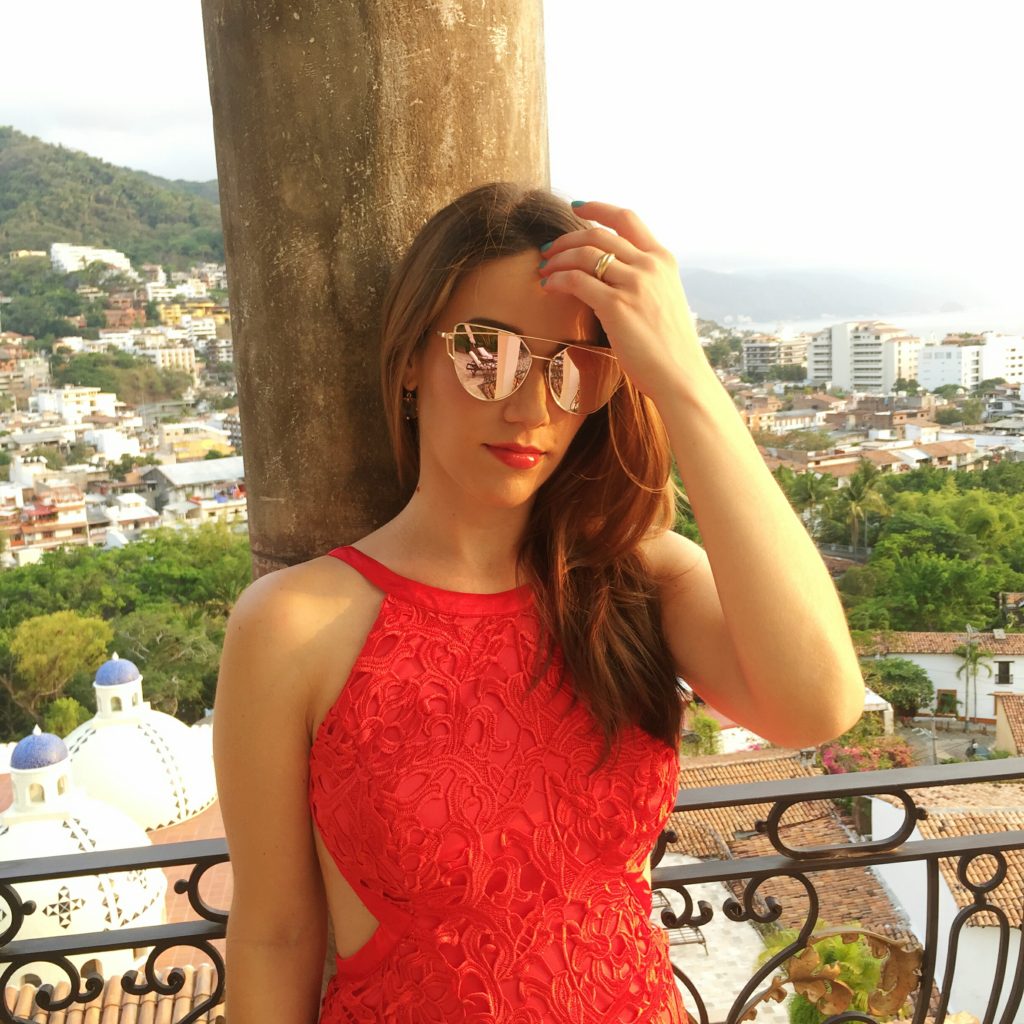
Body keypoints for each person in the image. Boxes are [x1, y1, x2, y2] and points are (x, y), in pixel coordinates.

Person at [213, 183, 866, 1023]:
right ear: (412, 358)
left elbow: (818, 704)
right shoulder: (294, 626)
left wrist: (684, 376)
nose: (531, 406)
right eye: (487, 352)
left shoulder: (636, 579)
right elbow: (275, 939)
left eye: (574, 367)